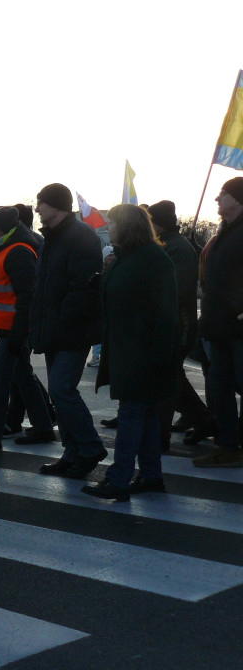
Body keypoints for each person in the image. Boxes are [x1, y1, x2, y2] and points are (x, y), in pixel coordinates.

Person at [82, 204, 178, 500]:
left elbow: (166, 311)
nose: (108, 227)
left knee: (131, 415)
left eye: (112, 222)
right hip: (128, 349)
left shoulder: (153, 259)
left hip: (143, 353)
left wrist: (161, 356)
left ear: (129, 226)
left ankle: (119, 479)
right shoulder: (125, 258)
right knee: (144, 415)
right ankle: (150, 476)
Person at [30, 183, 107, 479]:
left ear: (57, 205)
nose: (37, 209)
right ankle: (71, 452)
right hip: (55, 328)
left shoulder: (81, 236)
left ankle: (89, 448)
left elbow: (82, 288)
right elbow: (44, 287)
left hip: (73, 330)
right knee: (58, 390)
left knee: (61, 389)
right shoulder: (52, 238)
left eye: (41, 203)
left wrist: (61, 321)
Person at [0, 207, 55, 450]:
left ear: (2, 228)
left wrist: (18, 335)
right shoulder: (4, 249)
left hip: (13, 330)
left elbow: (27, 298)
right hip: (6, 329)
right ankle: (43, 427)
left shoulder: (18, 251)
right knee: (22, 377)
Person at [146, 201, 217, 448]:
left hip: (178, 325)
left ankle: (160, 436)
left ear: (157, 222)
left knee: (165, 380)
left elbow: (176, 289)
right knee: (172, 379)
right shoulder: (167, 245)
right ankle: (203, 418)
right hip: (169, 323)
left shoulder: (178, 248)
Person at [194, 178, 243, 468]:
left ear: (238, 199)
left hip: (237, 327)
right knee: (219, 385)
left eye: (222, 195)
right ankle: (227, 446)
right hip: (219, 325)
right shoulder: (225, 232)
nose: (216, 199)